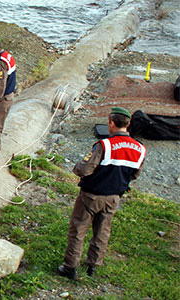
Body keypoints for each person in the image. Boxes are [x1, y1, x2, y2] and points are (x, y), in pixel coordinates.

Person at [57, 107, 146, 280]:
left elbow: (85, 169)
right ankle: (93, 266)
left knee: (78, 229)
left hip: (91, 195)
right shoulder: (140, 148)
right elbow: (135, 174)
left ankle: (70, 267)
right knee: (102, 231)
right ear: (127, 124)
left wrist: (77, 167)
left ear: (111, 123)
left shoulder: (104, 145)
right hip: (114, 197)